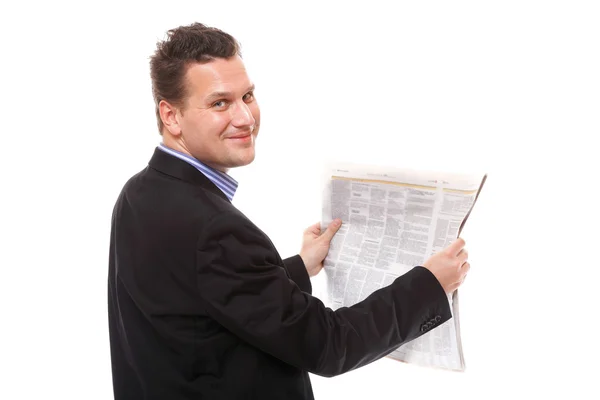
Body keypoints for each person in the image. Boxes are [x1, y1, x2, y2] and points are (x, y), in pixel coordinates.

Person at [107, 22, 471, 400]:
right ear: (171, 116)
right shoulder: (215, 230)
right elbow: (329, 345)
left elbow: (205, 299)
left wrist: (299, 266)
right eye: (220, 103)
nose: (246, 118)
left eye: (247, 96)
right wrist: (429, 285)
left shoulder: (139, 193)